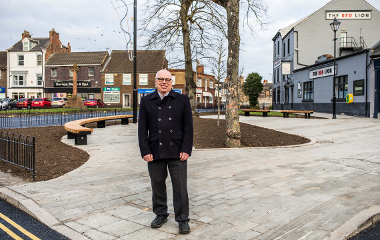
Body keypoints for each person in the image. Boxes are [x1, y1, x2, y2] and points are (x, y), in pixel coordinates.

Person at [138, 69, 193, 234]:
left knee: (180, 187)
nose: (164, 82)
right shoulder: (147, 101)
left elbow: (188, 127)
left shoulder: (182, 99)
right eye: (160, 79)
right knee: (157, 185)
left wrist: (186, 148)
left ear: (171, 82)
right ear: (155, 81)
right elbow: (142, 130)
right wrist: (145, 150)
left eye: (167, 80)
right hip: (155, 151)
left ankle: (183, 219)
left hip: (177, 150)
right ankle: (160, 214)